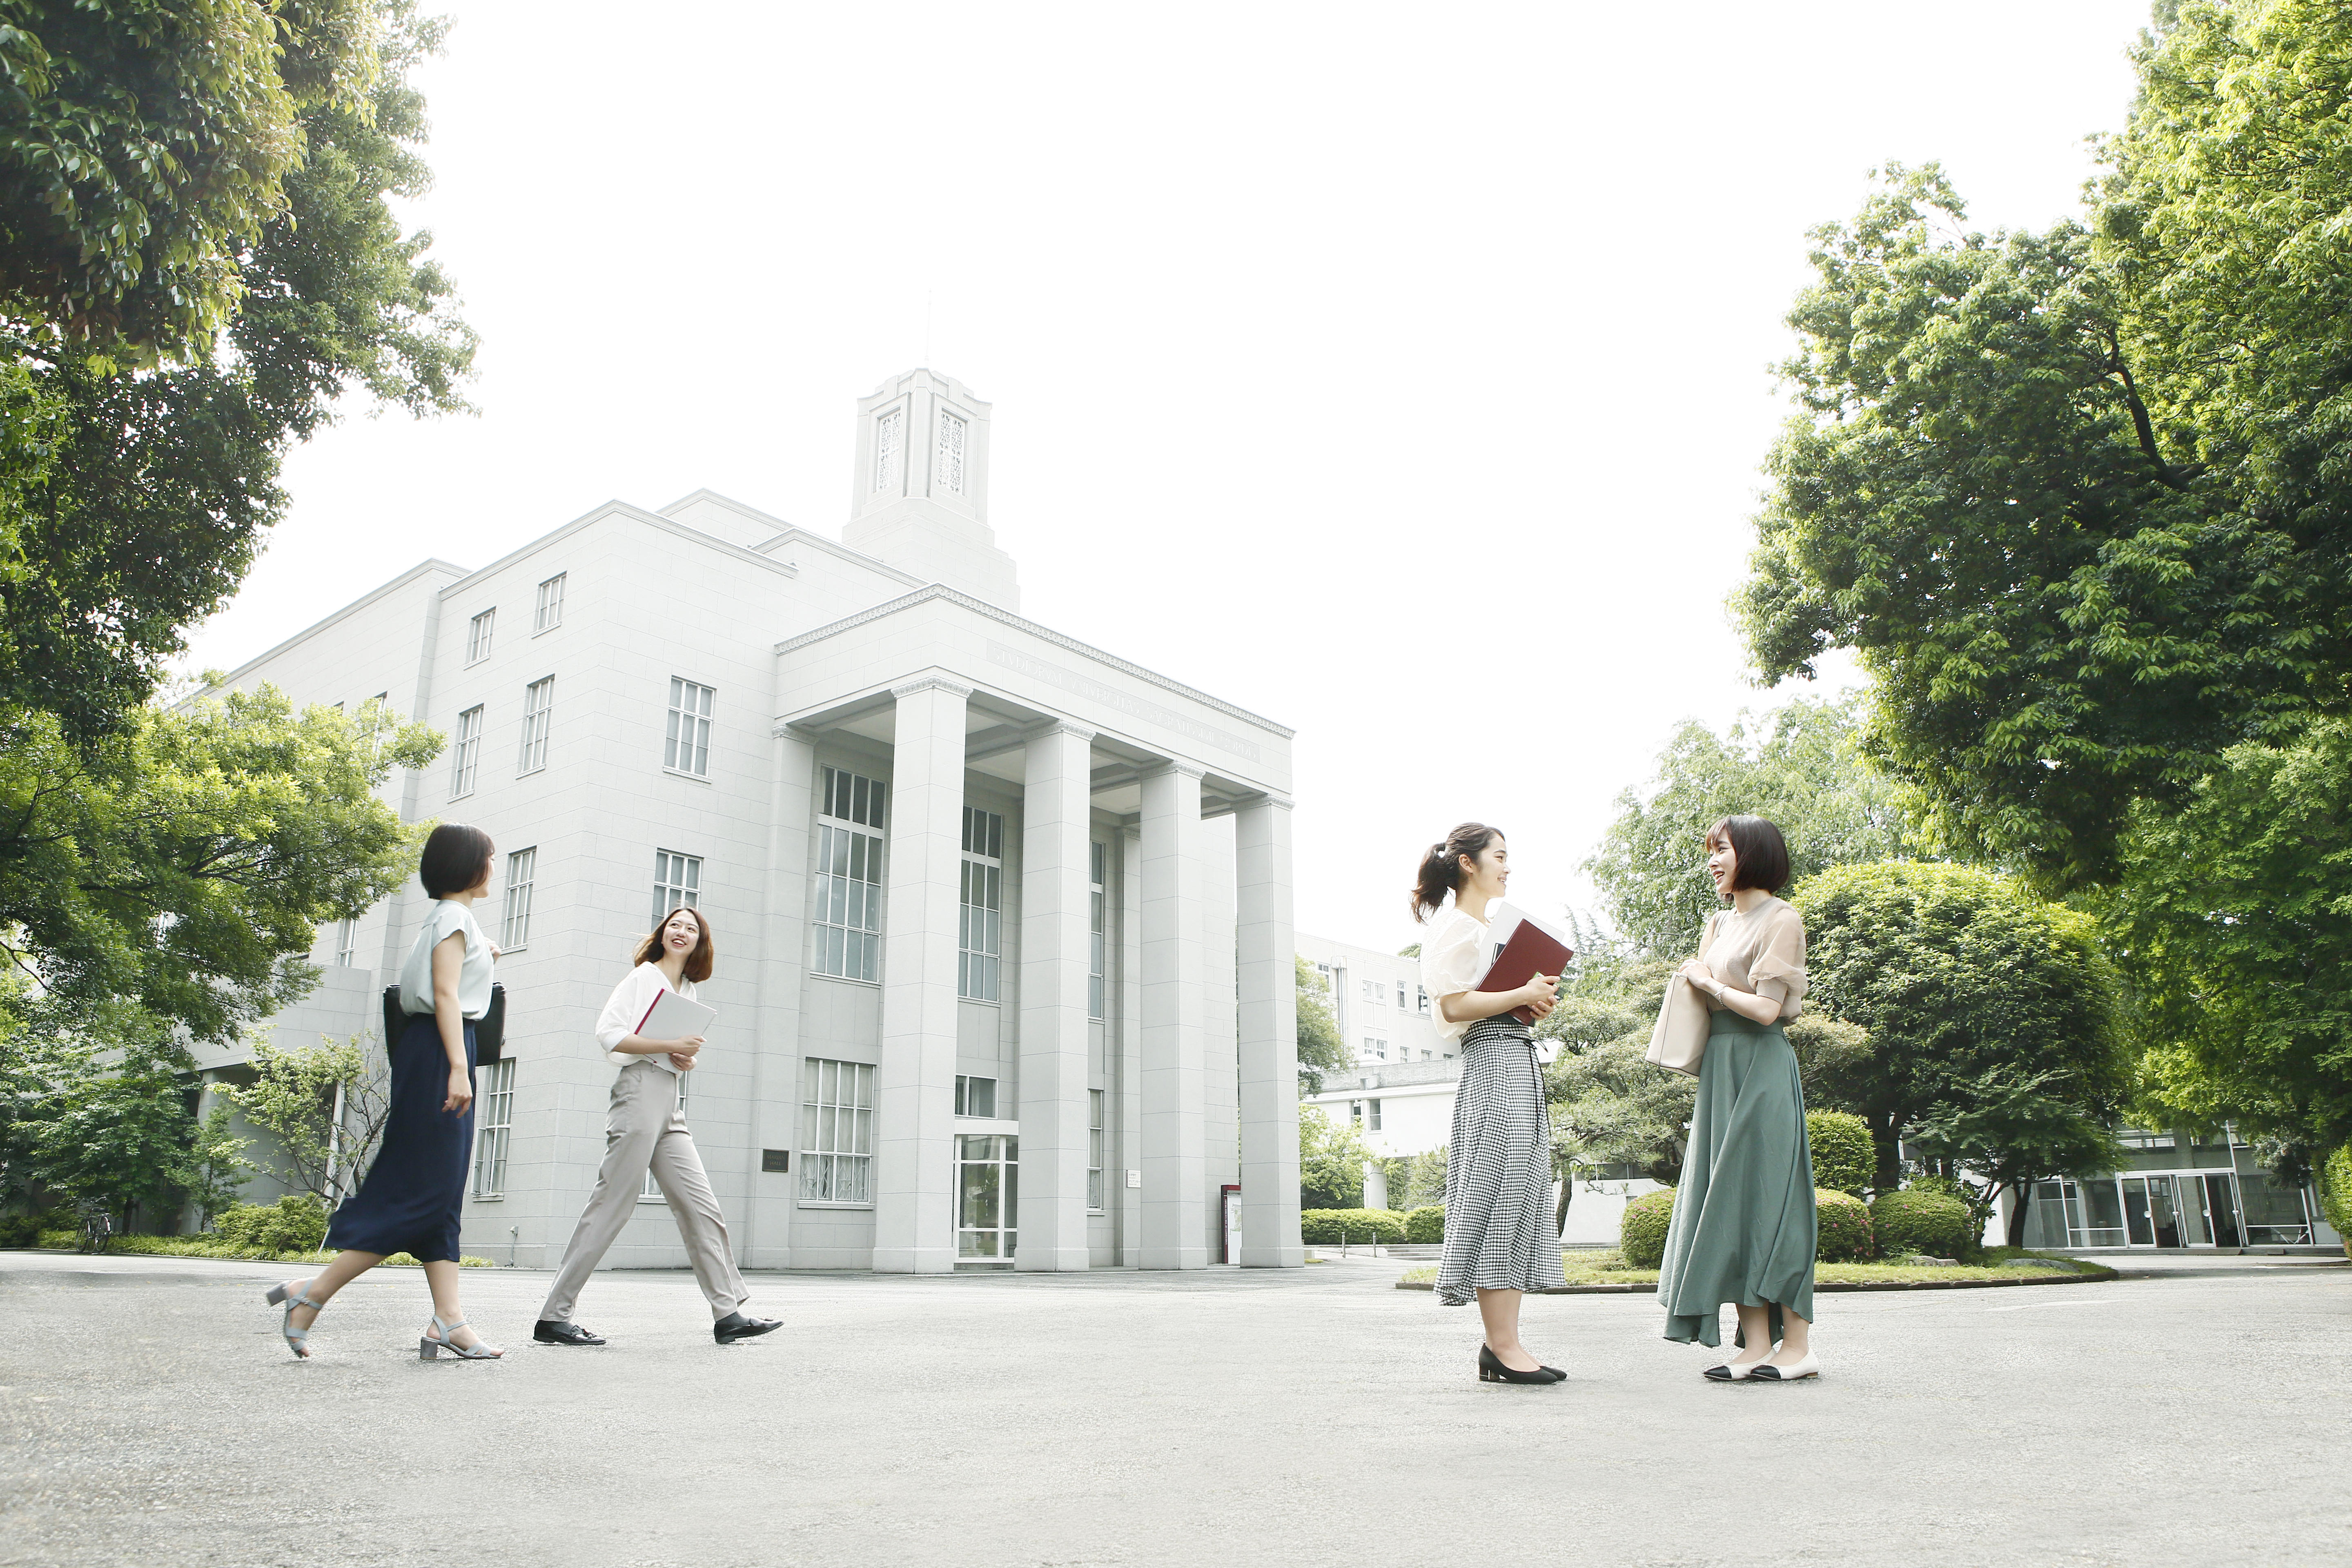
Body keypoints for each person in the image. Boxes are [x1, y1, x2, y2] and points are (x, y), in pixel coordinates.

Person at [265, 823, 505, 1361]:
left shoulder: (450, 920)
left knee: (440, 1195)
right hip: (442, 1054)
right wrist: (460, 1068)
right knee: (420, 1195)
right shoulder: (452, 918)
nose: (494, 865)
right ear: (469, 864)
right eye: (489, 857)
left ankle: (450, 1320)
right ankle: (312, 1294)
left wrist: (483, 952)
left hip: (438, 1050)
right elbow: (444, 993)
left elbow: (451, 979)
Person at [533, 906, 780, 1348]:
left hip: (668, 1097)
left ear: (700, 941)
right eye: (675, 925)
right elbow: (609, 1035)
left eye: (691, 928)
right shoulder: (642, 978)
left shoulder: (686, 990)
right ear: (662, 934)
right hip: (638, 1092)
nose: (681, 932)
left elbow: (674, 1051)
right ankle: (554, 1316)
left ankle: (729, 1315)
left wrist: (684, 1058)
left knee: (701, 1205)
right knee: (612, 1205)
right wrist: (669, 1045)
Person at [1657, 813, 1820, 1382]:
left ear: (1751, 853)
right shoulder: (1719, 922)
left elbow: (1769, 1010)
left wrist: (1708, 983)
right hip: (1721, 1069)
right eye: (1711, 850)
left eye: (1721, 849)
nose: (1713, 860)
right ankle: (1754, 1345)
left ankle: (1797, 1347)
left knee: (1774, 1201)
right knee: (1729, 1202)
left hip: (1762, 1064)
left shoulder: (1783, 919)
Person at [1413, 822, 1566, 1385]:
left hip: (1517, 1058)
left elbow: (1487, 1000)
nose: (1508, 866)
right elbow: (1453, 1006)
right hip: (1492, 1063)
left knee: (1520, 1193)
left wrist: (1532, 1002)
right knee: (1498, 1193)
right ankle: (1502, 1347)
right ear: (1469, 864)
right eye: (1500, 856)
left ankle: (1504, 1344)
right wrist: (1522, 994)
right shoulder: (1454, 925)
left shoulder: (1488, 927)